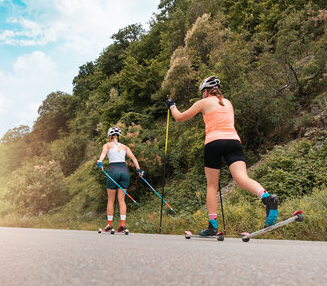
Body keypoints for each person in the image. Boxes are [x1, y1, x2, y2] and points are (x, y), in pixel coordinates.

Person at [165, 76, 278, 236]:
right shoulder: (228, 102)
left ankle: (213, 226)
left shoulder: (203, 102)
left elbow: (179, 117)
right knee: (242, 178)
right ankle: (266, 197)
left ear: (205, 91)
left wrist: (172, 105)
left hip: (214, 142)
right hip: (233, 141)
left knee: (212, 185)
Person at [97, 126, 144, 232]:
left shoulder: (107, 145)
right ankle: (122, 224)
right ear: (119, 136)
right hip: (124, 171)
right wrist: (139, 170)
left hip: (113, 170)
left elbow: (103, 155)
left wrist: (100, 163)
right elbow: (133, 158)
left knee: (110, 199)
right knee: (122, 199)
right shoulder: (125, 147)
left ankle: (109, 224)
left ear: (110, 136)